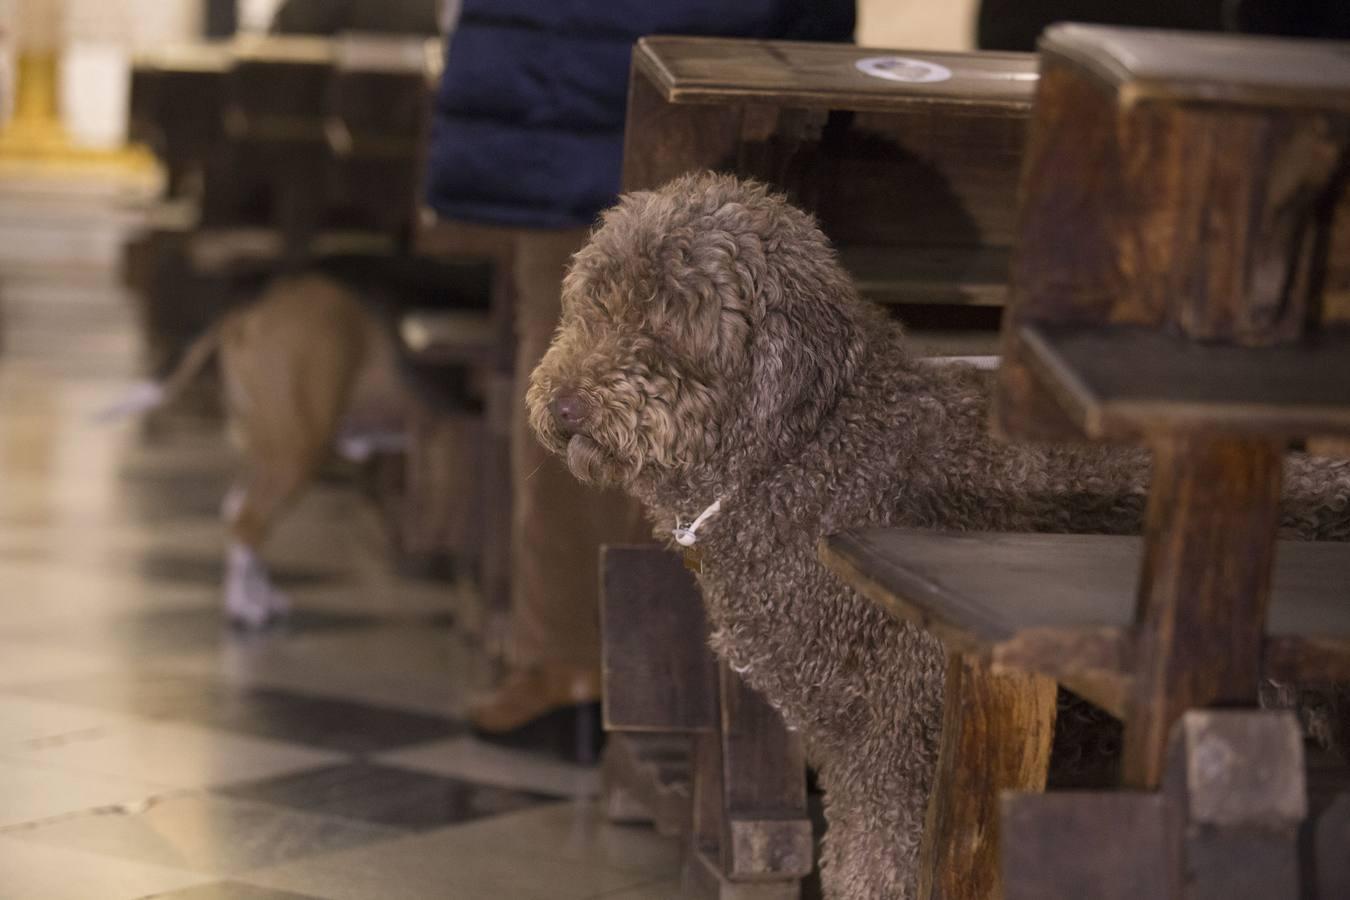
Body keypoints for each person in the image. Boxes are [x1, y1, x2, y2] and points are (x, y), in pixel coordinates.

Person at [425, 1, 856, 757]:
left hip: (571, 76)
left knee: (577, 351)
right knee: (723, 351)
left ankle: (574, 662)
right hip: (735, 65)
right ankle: (723, 678)